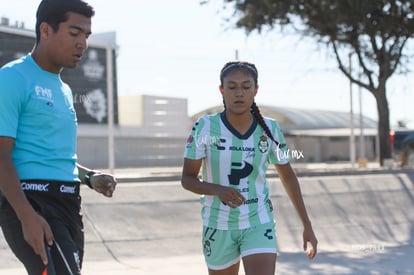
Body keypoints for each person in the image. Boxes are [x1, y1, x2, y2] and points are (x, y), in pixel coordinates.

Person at [0, 0, 117, 274]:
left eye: (86, 36)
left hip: (68, 204)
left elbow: (50, 157)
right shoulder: (12, 78)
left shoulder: (63, 89)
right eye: (74, 33)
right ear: (45, 30)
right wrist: (27, 215)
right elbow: (1, 154)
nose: (83, 44)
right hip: (33, 200)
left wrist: (89, 177)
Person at [181, 61, 318, 275]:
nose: (239, 93)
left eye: (246, 87)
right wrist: (219, 190)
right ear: (221, 90)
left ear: (255, 90)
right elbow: (187, 179)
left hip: (258, 221)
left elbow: (288, 177)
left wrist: (306, 224)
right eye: (232, 86)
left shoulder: (270, 128)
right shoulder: (205, 127)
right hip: (218, 225)